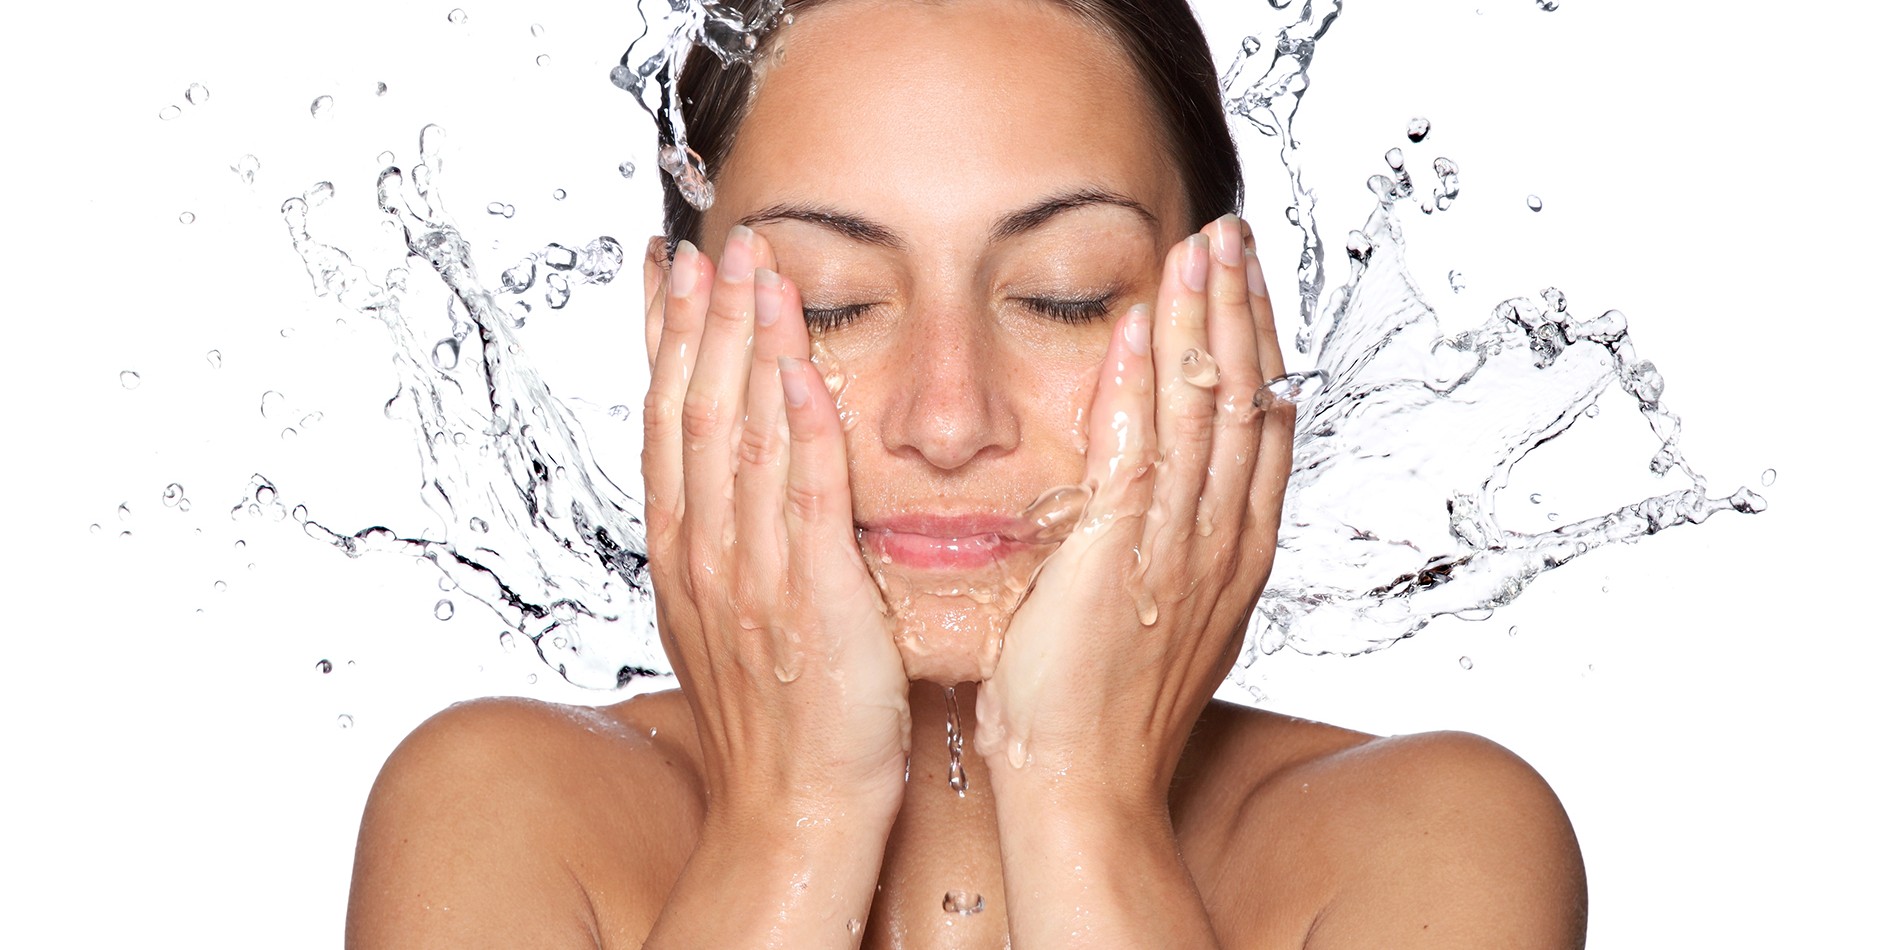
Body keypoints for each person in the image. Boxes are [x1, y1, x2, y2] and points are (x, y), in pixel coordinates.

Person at [345, 0, 1587, 945]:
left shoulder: (1429, 842)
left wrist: (1081, 799)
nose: (948, 420)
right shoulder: (500, 814)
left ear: (1227, 331)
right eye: (830, 305)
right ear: (677, 336)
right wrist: (795, 817)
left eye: (1064, 296)